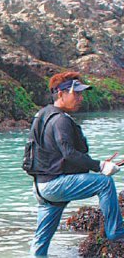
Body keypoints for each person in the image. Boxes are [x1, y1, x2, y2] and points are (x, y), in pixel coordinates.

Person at [28, 71, 124, 256]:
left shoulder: (42, 115)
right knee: (104, 183)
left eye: (81, 93)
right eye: (76, 93)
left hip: (41, 187)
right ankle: (116, 233)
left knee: (40, 243)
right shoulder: (61, 120)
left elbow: (57, 156)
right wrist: (100, 166)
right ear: (61, 93)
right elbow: (69, 153)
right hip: (54, 185)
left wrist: (95, 164)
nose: (80, 98)